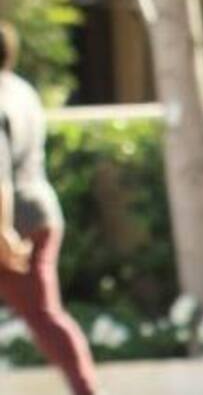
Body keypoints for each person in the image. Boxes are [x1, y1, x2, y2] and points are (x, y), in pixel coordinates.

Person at [0, 22, 100, 395]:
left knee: (43, 315)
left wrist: (4, 231)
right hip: (41, 209)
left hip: (13, 219)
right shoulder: (21, 90)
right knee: (45, 313)